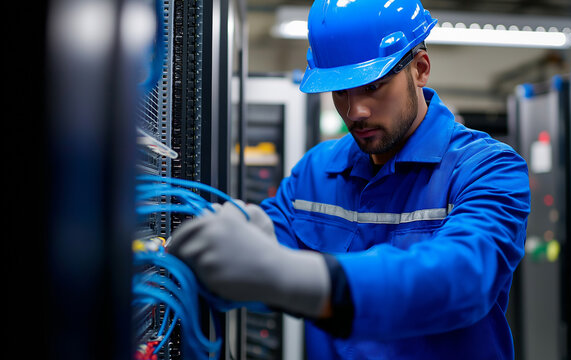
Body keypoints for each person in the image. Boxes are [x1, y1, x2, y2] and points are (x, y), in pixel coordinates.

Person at [168, 0, 531, 358]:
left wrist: (312, 280)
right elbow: (263, 268)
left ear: (420, 69)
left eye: (373, 86)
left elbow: (462, 276)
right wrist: (227, 252)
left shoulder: (487, 169)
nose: (355, 112)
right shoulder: (317, 169)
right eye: (341, 91)